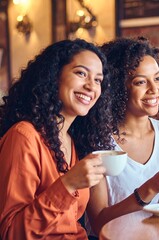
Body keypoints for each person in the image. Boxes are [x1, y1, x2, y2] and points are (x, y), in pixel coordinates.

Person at [0, 39, 114, 239]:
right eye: (81, 73)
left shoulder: (73, 140)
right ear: (54, 76)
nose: (91, 86)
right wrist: (67, 184)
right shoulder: (24, 136)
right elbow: (11, 233)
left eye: (98, 80)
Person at [86, 36, 159, 235]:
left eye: (157, 78)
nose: (154, 90)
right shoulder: (98, 141)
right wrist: (152, 187)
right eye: (140, 82)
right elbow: (98, 223)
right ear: (118, 88)